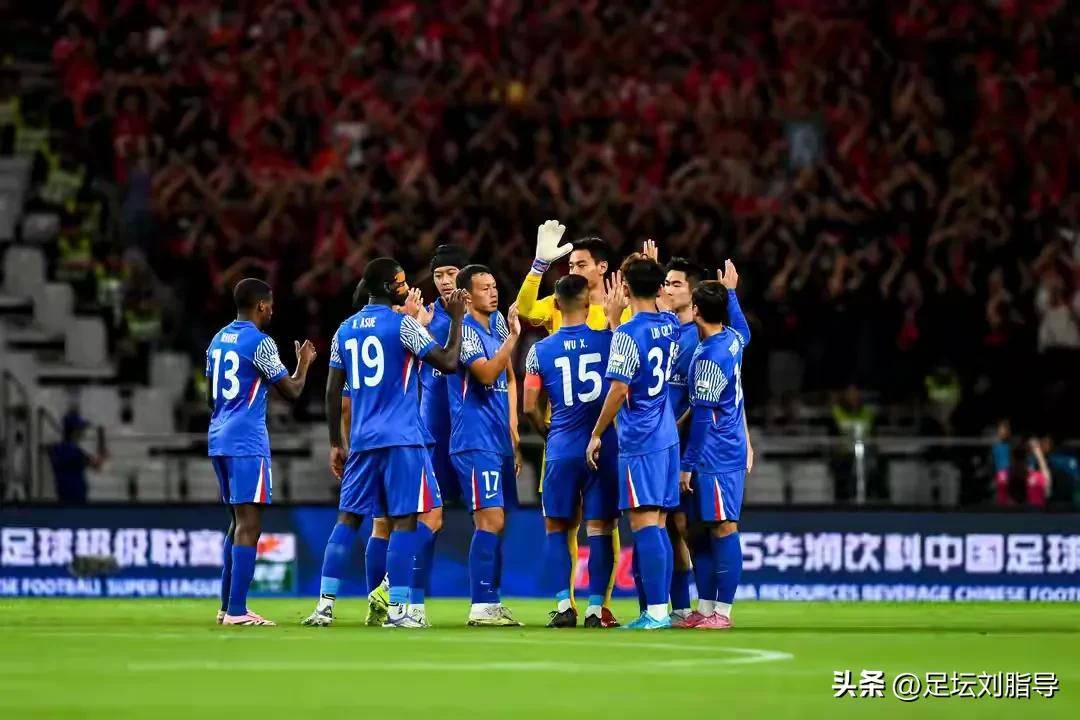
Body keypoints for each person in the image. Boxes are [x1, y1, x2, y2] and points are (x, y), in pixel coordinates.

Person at [304, 258, 465, 628]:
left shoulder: (344, 330)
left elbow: (332, 391)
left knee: (348, 520)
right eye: (402, 282)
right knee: (404, 521)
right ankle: (398, 610)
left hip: (362, 440)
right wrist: (456, 319)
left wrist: (335, 442)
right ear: (389, 286)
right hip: (403, 439)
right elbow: (448, 362)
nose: (406, 287)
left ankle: (324, 607)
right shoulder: (403, 326)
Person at [515, 219, 628, 627]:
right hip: (601, 436)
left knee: (560, 523)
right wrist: (538, 265)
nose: (574, 269)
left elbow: (529, 402)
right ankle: (593, 605)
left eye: (580, 263)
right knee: (597, 525)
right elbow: (524, 308)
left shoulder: (551, 337)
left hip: (562, 436)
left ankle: (574, 604)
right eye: (571, 265)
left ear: (601, 268)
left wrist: (542, 427)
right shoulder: (613, 328)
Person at [207, 277, 316, 626]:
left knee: (237, 522)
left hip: (219, 436)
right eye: (270, 306)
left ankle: (227, 607)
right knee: (249, 524)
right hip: (246, 441)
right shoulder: (260, 342)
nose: (272, 311)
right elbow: (292, 391)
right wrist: (304, 363)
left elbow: (211, 395)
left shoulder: (218, 339)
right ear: (260, 306)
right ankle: (237, 611)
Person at [587, 254, 680, 630]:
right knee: (658, 523)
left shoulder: (627, 334)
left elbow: (619, 388)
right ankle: (661, 608)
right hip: (667, 435)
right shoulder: (671, 324)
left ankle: (655, 612)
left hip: (640, 439)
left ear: (624, 289)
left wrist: (596, 433)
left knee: (644, 523)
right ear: (659, 288)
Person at [678, 266, 752, 630]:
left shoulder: (710, 358)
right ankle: (705, 607)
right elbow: (745, 332)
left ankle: (723, 612)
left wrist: (687, 465)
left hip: (718, 454)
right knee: (699, 530)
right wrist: (732, 294)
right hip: (716, 452)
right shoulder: (731, 339)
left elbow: (703, 420)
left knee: (724, 527)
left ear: (695, 310)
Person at [450, 264, 523, 626]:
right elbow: (486, 373)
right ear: (466, 296)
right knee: (489, 519)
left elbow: (508, 377)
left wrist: (513, 426)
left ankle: (492, 602)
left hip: (497, 439)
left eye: (494, 286)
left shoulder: (494, 327)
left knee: (498, 521)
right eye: (484, 288)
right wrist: (514, 338)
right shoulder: (465, 332)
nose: (493, 293)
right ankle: (481, 605)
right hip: (474, 438)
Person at [662, 257, 706, 624]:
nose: (668, 289)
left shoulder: (700, 339)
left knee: (688, 527)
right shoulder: (664, 332)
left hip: (688, 445)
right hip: (660, 444)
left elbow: (700, 400)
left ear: (694, 294)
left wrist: (672, 428)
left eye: (676, 284)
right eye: (665, 283)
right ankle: (678, 608)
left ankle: (708, 605)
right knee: (667, 526)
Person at [49, 410, 106, 505]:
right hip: (76, 501)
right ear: (75, 431)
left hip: (63, 498)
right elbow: (97, 465)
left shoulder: (57, 449)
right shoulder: (74, 452)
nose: (83, 432)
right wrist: (102, 443)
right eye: (81, 429)